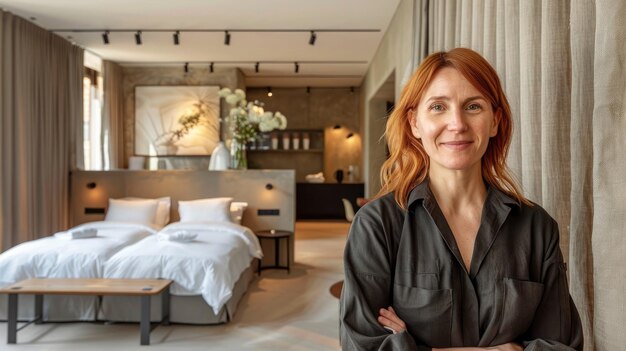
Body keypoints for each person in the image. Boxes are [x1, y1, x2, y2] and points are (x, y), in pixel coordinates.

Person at [339, 48, 583, 351]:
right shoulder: (377, 225)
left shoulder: (538, 227)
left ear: (494, 121)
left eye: (473, 106)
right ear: (415, 123)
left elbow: (561, 345)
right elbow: (360, 345)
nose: (457, 124)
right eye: (438, 107)